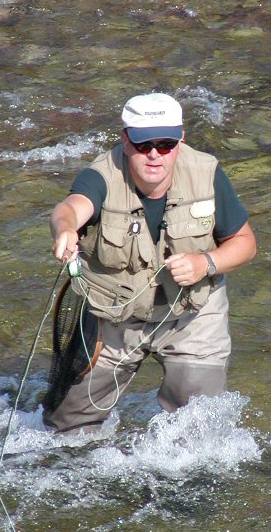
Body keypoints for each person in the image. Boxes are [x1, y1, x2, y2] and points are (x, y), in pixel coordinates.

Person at [44, 92, 256, 434]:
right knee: (66, 426)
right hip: (112, 318)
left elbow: (246, 244)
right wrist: (65, 229)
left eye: (166, 144)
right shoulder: (100, 175)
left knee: (200, 429)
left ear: (181, 138)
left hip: (193, 315)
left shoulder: (207, 173)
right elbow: (71, 206)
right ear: (126, 139)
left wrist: (206, 263)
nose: (155, 154)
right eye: (144, 145)